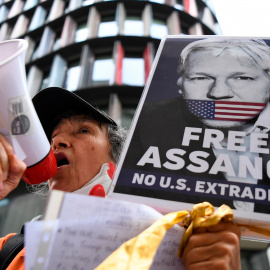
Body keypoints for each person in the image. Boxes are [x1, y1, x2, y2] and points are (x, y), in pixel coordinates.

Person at [0, 87, 241, 269]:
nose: (56, 142)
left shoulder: (178, 240)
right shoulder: (7, 247)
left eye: (83, 130)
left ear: (116, 160)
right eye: (52, 137)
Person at [122, 37, 270, 214]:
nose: (218, 93)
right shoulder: (150, 121)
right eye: (200, 78)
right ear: (181, 86)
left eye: (241, 78)